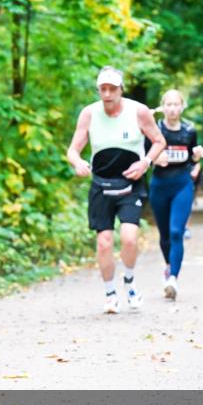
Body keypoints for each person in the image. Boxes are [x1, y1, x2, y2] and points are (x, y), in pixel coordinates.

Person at [67, 66, 165, 314]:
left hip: (131, 185)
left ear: (121, 89)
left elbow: (159, 141)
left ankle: (129, 281)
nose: (107, 94)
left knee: (130, 238)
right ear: (99, 90)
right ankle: (110, 293)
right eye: (103, 89)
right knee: (104, 243)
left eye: (112, 89)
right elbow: (73, 150)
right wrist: (78, 162)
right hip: (101, 185)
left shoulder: (139, 111)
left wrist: (145, 163)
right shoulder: (89, 114)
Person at [145, 90, 203, 301]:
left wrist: (198, 158)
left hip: (182, 184)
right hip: (159, 185)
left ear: (182, 107)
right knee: (164, 236)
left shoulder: (189, 130)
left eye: (175, 104)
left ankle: (173, 279)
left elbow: (193, 157)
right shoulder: (154, 129)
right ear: (163, 107)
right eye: (168, 104)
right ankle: (169, 266)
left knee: (176, 231)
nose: (171, 108)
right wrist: (154, 158)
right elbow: (143, 156)